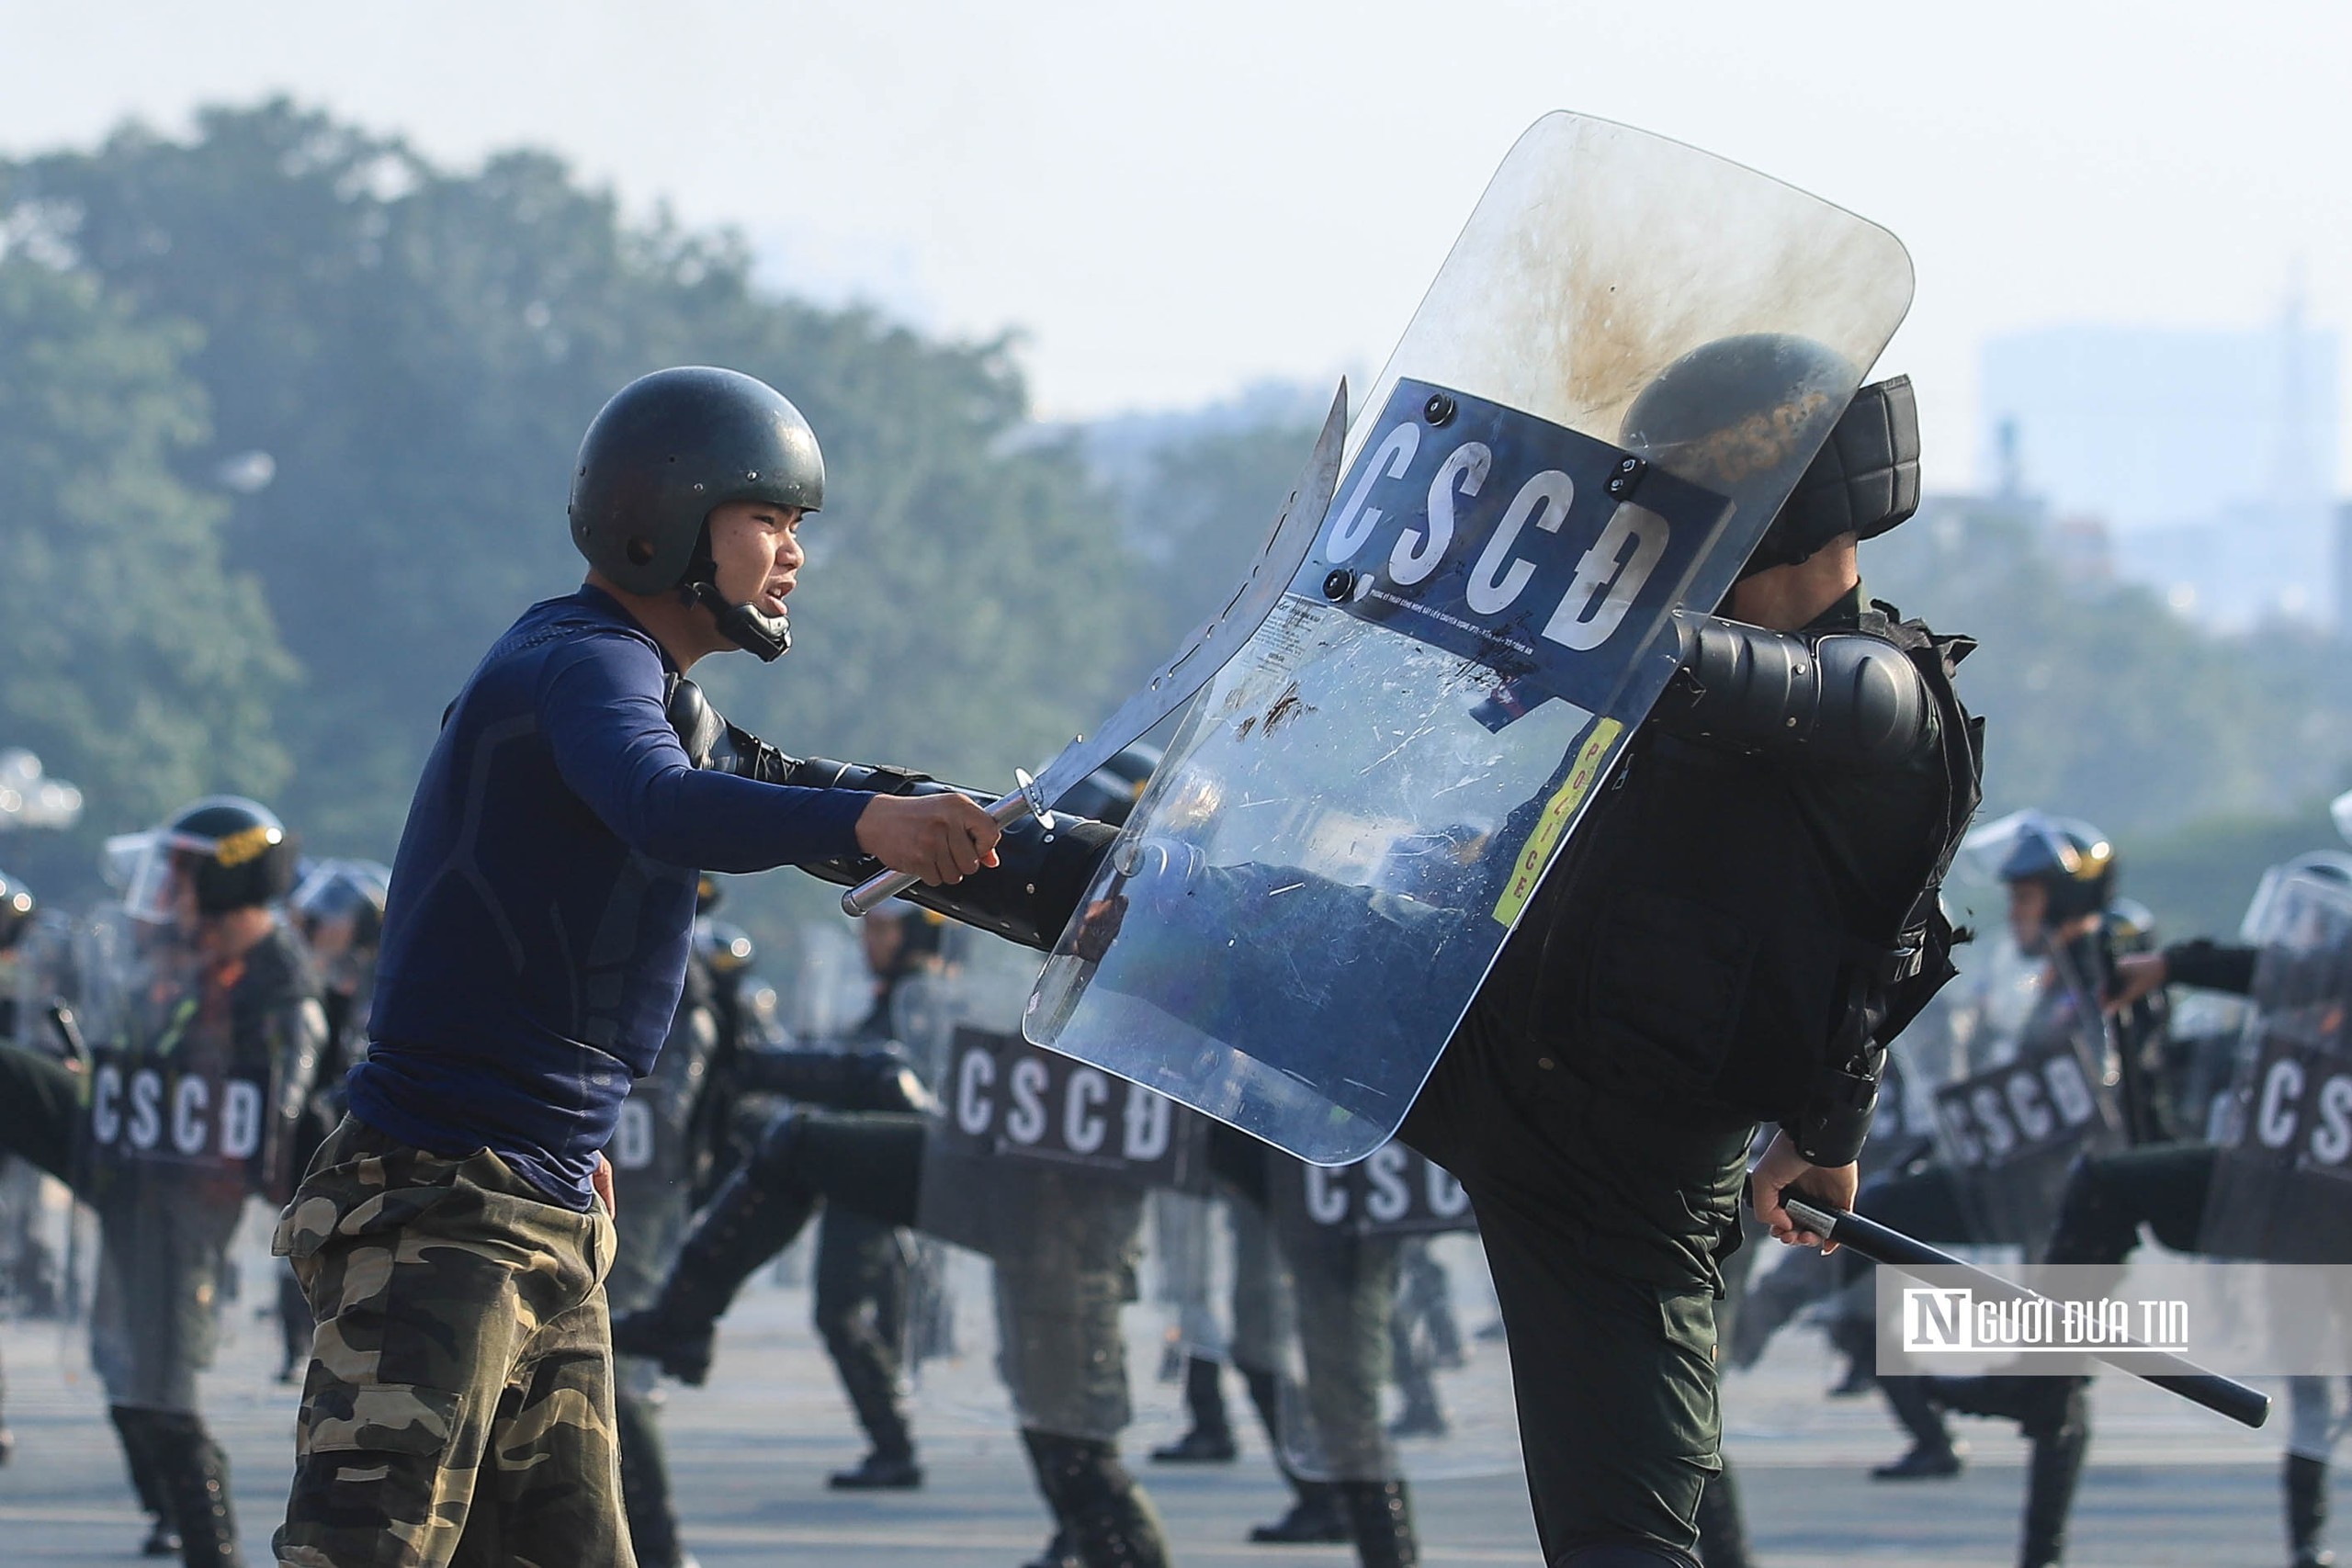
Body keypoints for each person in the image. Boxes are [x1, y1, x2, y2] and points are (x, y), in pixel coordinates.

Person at [777, 364, 1977, 1567]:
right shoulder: (1660, 656)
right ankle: (784, 790)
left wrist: (1527, 566)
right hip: (1452, 1011)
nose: (1641, 518)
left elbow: (1866, 887)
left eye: (1680, 485)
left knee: (1623, 1541)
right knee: (1118, 893)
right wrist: (1827, 1124)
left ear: (1777, 496)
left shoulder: (1881, 698)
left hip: (1625, 1174)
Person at [269, 365, 1007, 1568]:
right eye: (767, 517)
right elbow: (664, 802)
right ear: (664, 517)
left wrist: (993, 839)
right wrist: (872, 823)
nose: (793, 553)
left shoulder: (639, 682)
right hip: (444, 1205)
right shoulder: (588, 662)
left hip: (542, 1189)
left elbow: (780, 786)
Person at [0, 797, 325, 1567]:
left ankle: (213, 1546)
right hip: (133, 1163)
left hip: (189, 1200)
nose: (169, 890)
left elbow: (266, 1118)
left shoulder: (279, 983)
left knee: (163, 1386)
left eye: (183, 872)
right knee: (125, 1369)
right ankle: (174, 1516)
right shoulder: (191, 959)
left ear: (225, 880)